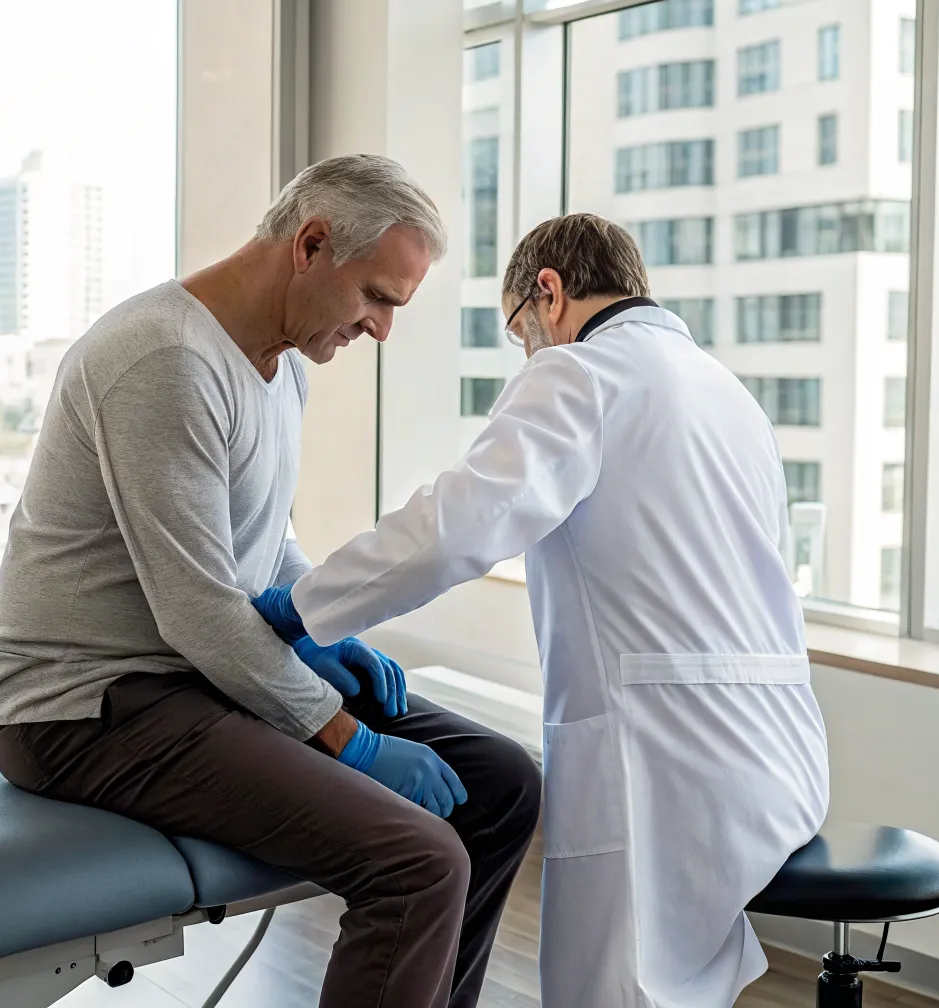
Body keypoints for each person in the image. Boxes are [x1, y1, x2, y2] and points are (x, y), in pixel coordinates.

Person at [0, 154, 541, 1008]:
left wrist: (324, 630)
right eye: (377, 298)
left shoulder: (282, 373)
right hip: (83, 707)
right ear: (311, 245)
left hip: (190, 683)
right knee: (417, 861)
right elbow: (200, 611)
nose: (382, 330)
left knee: (503, 785)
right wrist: (350, 739)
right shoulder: (164, 360)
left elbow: (266, 541)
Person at [251, 212, 831, 1007]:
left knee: (615, 992)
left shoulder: (583, 374)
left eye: (522, 333)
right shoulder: (724, 390)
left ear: (548, 294)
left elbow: (457, 526)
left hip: (658, 763)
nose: (528, 353)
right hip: (778, 756)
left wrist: (303, 608)